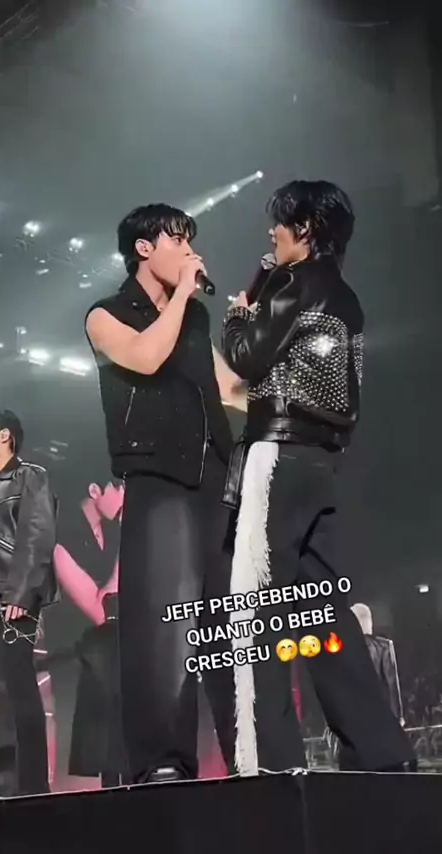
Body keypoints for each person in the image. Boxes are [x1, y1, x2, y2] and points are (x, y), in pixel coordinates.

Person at [221, 179, 415, 775]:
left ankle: (267, 764)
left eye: (280, 223)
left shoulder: (291, 282)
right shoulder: (347, 297)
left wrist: (238, 315)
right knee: (325, 612)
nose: (272, 233)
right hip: (324, 464)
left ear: (304, 228)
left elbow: (245, 358)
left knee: (256, 608)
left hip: (277, 455)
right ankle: (382, 753)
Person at [85, 203, 246, 783]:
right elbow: (146, 358)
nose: (191, 252)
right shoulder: (105, 315)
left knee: (231, 622)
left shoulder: (195, 318)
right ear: (145, 248)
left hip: (216, 478)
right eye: (180, 241)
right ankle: (164, 763)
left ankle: (249, 752)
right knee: (165, 629)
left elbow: (230, 388)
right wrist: (181, 298)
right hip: (158, 478)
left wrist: (260, 351)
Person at [0, 409, 58, 797]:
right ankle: (4, 783)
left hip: (13, 599)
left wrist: (21, 592)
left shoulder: (30, 476)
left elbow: (38, 534)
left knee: (18, 688)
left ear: (4, 436)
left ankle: (29, 786)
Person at [52, 481, 126, 788]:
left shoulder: (112, 528)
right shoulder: (61, 540)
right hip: (81, 667)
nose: (126, 497)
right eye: (120, 488)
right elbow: (102, 610)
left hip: (116, 660)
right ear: (95, 490)